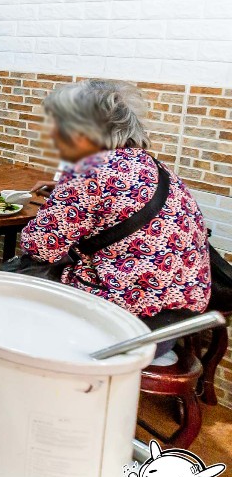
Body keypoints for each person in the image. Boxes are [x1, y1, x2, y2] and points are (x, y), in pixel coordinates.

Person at [17, 80, 210, 321]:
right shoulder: (154, 167)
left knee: (18, 281)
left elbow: (39, 247)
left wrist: (68, 195)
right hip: (177, 318)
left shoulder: (89, 169)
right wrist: (68, 193)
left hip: (123, 323)